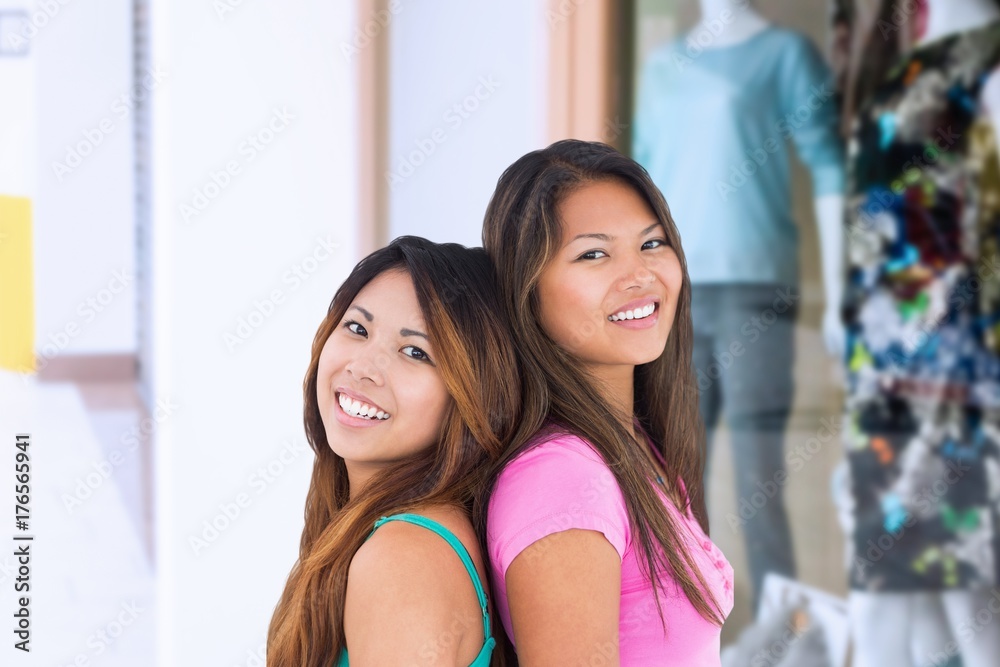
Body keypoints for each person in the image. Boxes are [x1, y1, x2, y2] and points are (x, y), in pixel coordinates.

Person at [479, 140, 734, 666]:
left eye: (652, 244)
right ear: (526, 292)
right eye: (593, 254)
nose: (639, 275)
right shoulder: (560, 479)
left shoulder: (638, 446)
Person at [633, 0, 847, 614]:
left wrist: (838, 296)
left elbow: (829, 168)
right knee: (672, 469)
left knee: (759, 471)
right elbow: (642, 185)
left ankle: (787, 624)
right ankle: (684, 616)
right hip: (672, 296)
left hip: (757, 289)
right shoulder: (661, 67)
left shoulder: (784, 57)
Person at [267, 236, 521, 667]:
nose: (364, 368)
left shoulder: (404, 559)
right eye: (357, 328)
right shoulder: (396, 532)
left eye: (414, 352)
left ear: (472, 394)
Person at [838, 0, 1000, 665]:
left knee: (954, 598)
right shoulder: (910, 72)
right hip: (891, 370)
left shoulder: (980, 67)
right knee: (907, 595)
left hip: (949, 375)